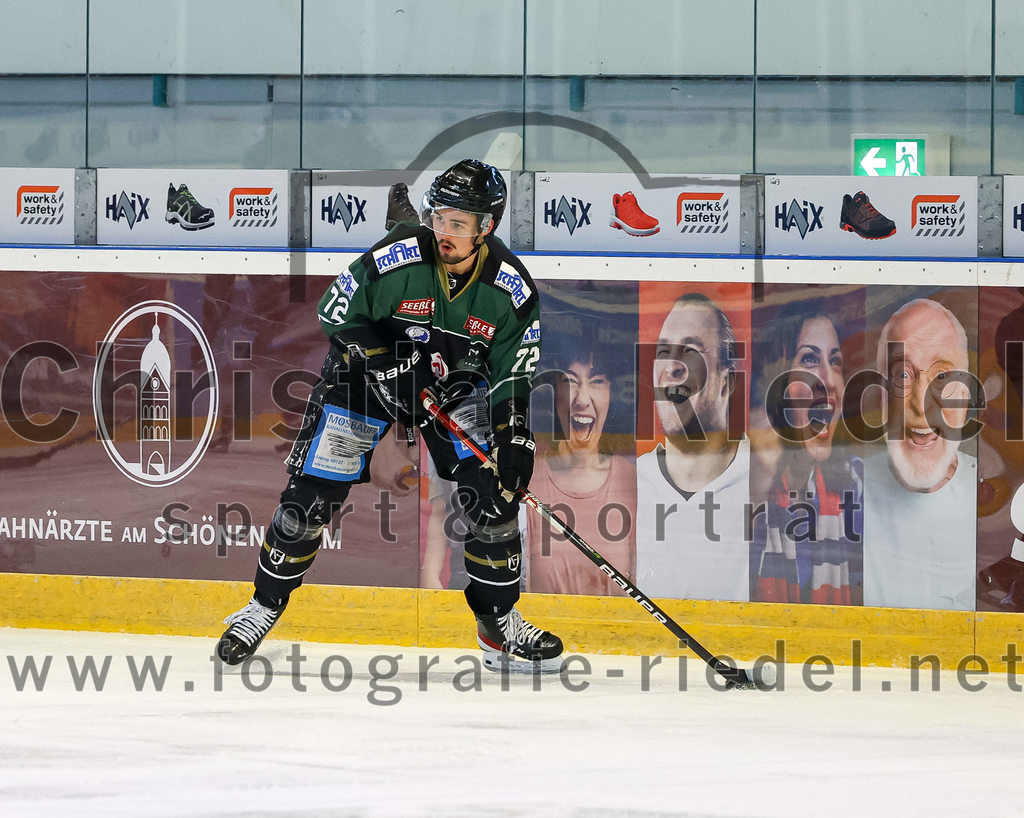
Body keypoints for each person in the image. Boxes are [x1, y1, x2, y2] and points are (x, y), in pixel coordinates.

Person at [216, 160, 563, 672]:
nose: (443, 232)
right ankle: (261, 607)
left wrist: (514, 438)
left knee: (493, 497)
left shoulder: (511, 290)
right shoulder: (399, 257)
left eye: (458, 224)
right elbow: (335, 312)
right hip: (364, 378)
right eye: (437, 218)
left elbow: (512, 375)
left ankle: (497, 627)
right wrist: (384, 361)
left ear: (486, 228)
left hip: (450, 386)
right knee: (311, 495)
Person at [862, 297, 977, 610]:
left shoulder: (995, 502)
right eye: (902, 375)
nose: (922, 404)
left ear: (964, 399)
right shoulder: (842, 490)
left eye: (942, 377)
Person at [634, 292, 749, 601]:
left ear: (727, 382)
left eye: (690, 350)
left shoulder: (766, 480)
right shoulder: (626, 486)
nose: (671, 365)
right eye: (663, 350)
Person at [752, 302, 863, 605]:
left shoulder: (854, 487)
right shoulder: (743, 488)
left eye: (835, 361)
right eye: (810, 359)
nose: (828, 379)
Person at [526, 341, 636, 595]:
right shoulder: (527, 476)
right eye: (570, 382)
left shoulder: (634, 482)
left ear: (613, 394)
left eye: (597, 381)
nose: (582, 400)